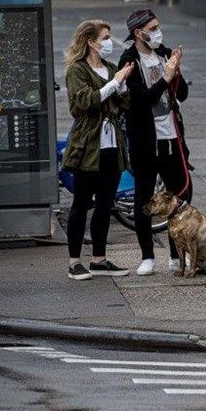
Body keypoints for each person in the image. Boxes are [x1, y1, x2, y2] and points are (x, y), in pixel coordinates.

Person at [119, 8, 192, 276]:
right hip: (145, 141)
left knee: (180, 195)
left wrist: (176, 71)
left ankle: (175, 254)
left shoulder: (164, 53)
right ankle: (147, 256)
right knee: (145, 199)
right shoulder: (129, 60)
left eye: (158, 26)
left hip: (171, 138)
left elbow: (181, 94)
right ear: (138, 33)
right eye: (152, 29)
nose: (158, 32)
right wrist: (165, 76)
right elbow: (141, 100)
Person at [61, 20, 133, 280]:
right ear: (91, 42)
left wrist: (122, 84)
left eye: (109, 37)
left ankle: (99, 260)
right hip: (87, 145)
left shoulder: (112, 68)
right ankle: (74, 262)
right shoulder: (77, 70)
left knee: (105, 204)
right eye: (104, 38)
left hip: (112, 145)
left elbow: (125, 102)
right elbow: (84, 103)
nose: (108, 43)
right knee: (81, 203)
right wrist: (115, 83)